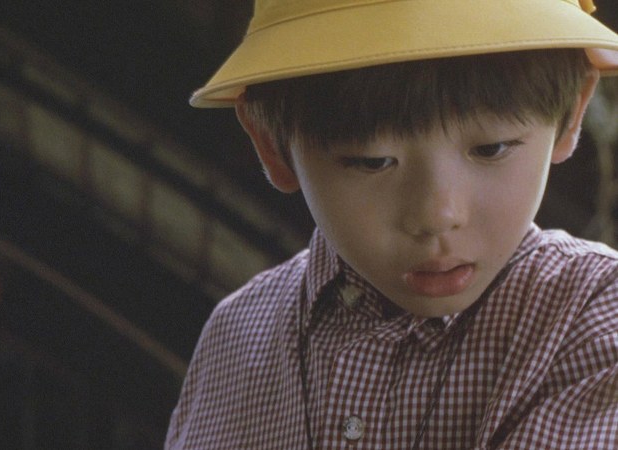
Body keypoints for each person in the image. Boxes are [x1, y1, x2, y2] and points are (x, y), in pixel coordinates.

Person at [166, 1, 618, 449]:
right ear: (271, 144)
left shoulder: (594, 319)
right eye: (373, 161)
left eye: (491, 149)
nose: (437, 216)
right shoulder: (236, 335)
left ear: (572, 112)